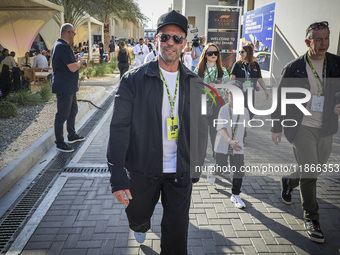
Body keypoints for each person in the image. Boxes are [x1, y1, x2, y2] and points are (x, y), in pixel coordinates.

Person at [107, 10, 207, 254]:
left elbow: (201, 128)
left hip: (179, 170)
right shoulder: (133, 80)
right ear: (156, 40)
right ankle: (139, 224)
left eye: (177, 38)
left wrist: (196, 165)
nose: (170, 43)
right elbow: (119, 128)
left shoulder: (196, 83)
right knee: (138, 213)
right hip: (143, 168)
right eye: (164, 38)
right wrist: (117, 175)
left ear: (184, 43)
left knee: (177, 232)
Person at [271, 21, 340, 244]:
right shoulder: (294, 68)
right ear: (307, 42)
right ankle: (312, 218)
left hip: (326, 126)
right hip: (301, 127)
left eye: (327, 38)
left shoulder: (337, 64)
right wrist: (276, 127)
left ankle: (289, 182)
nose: (324, 43)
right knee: (310, 172)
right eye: (318, 39)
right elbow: (279, 98)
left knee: (316, 166)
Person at [212, 81, 249, 209]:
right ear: (227, 94)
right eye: (231, 93)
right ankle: (213, 170)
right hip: (223, 144)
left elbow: (244, 129)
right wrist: (230, 141)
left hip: (237, 147)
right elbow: (222, 128)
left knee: (239, 170)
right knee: (221, 168)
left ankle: (235, 195)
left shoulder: (244, 111)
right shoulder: (223, 109)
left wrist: (239, 142)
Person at [51, 23, 85, 153]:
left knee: (72, 110)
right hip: (65, 87)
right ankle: (59, 142)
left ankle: (72, 135)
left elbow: (66, 63)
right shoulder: (63, 47)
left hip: (68, 86)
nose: (74, 36)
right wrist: (80, 62)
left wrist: (74, 58)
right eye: (74, 33)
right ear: (69, 32)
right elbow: (72, 67)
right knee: (62, 114)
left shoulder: (58, 45)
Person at [194, 43, 230, 152]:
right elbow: (194, 89)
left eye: (216, 53)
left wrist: (224, 94)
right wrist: (209, 88)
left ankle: (217, 160)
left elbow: (227, 87)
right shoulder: (198, 71)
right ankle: (200, 158)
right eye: (210, 53)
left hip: (218, 103)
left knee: (216, 132)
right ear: (205, 55)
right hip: (203, 102)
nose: (213, 55)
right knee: (202, 132)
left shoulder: (222, 71)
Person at [230, 44, 270, 119]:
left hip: (250, 93)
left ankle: (243, 127)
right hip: (239, 93)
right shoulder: (238, 64)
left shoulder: (255, 65)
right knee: (239, 114)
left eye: (242, 52)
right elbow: (232, 78)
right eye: (240, 52)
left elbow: (260, 79)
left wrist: (266, 90)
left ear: (248, 52)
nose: (240, 54)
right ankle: (241, 129)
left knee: (250, 113)